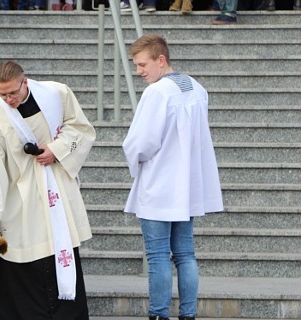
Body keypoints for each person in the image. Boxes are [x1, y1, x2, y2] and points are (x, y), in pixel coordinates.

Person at [0, 60, 94, 319]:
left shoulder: (56, 94)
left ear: (24, 82)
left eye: (12, 92)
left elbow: (81, 129)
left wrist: (57, 149)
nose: (8, 99)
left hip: (57, 188)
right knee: (23, 259)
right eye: (1, 93)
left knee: (59, 251)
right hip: (22, 195)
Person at [123, 34, 224, 320]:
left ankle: (158, 314)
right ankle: (188, 315)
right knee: (185, 254)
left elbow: (141, 142)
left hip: (159, 184)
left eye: (143, 64)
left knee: (157, 256)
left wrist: (135, 160)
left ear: (161, 60)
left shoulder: (157, 93)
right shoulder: (196, 87)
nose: (140, 71)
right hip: (187, 183)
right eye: (137, 65)